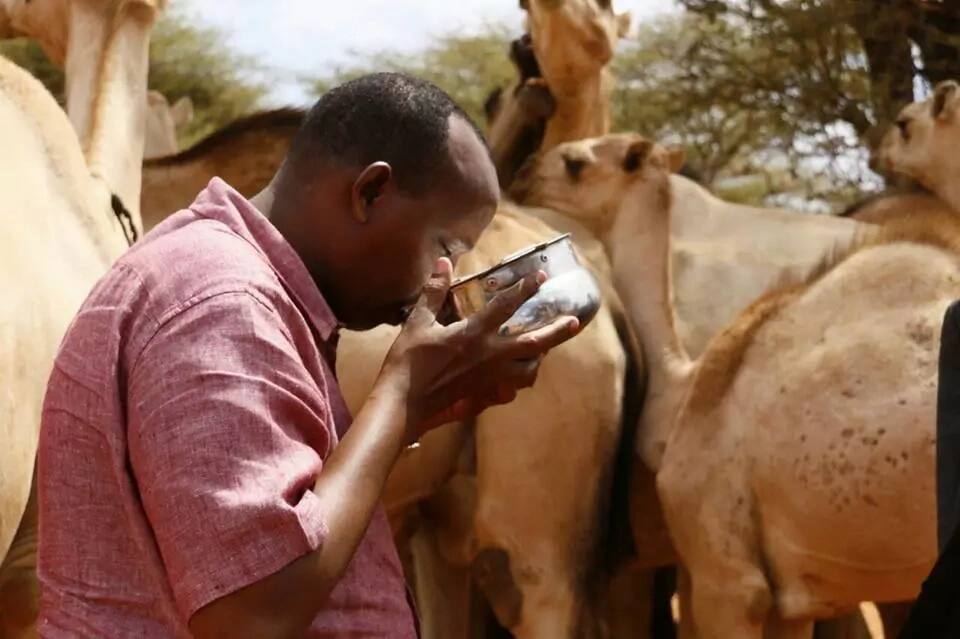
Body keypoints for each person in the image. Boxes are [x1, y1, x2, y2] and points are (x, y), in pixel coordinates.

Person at [36, 73, 580, 638]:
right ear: (370, 193)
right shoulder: (220, 303)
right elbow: (253, 614)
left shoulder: (242, 289)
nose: (442, 276)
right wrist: (400, 394)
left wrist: (413, 412)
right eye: (444, 246)